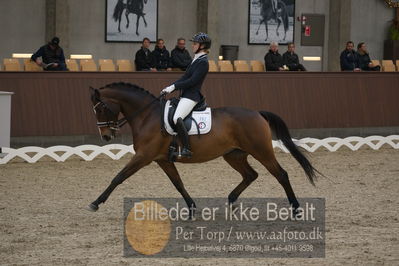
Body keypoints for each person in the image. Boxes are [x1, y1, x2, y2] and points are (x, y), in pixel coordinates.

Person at [160, 32, 211, 158]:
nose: (192, 45)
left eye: (195, 43)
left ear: (202, 46)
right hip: (186, 94)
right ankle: (173, 145)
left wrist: (175, 87)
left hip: (192, 96)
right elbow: (184, 77)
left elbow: (192, 81)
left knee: (177, 118)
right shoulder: (196, 59)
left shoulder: (203, 62)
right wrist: (170, 87)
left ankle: (187, 148)